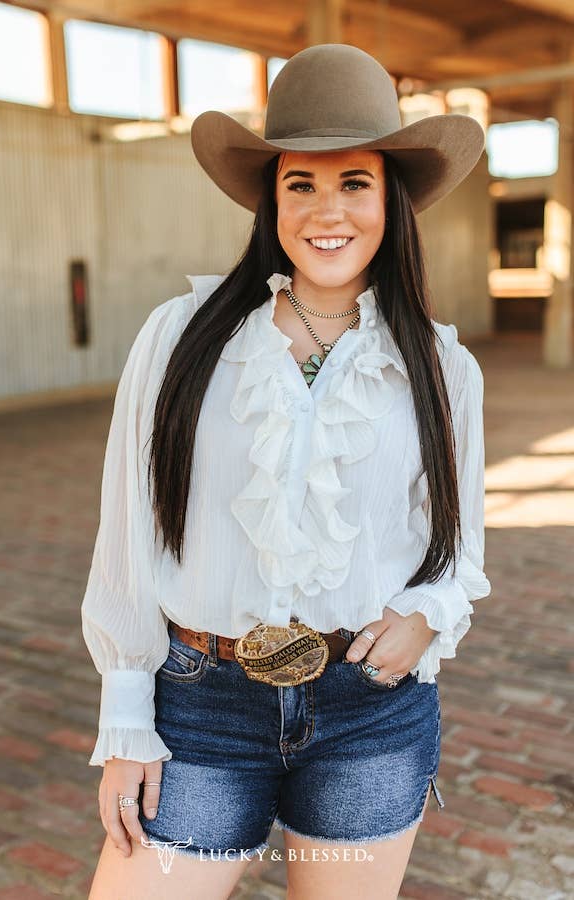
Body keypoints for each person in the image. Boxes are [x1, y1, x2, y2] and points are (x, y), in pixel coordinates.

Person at [81, 43, 491, 900]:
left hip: (369, 713)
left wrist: (425, 615)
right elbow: (127, 527)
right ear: (273, 201)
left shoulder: (443, 367)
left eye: (355, 183)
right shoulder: (182, 334)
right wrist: (126, 720)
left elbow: (457, 548)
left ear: (394, 201)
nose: (325, 210)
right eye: (301, 183)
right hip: (199, 708)